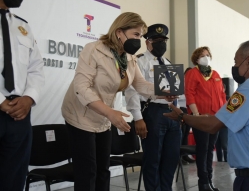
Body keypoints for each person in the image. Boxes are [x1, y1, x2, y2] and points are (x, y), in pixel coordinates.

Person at [61, 14, 175, 191]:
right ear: (119, 32)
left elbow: (140, 84)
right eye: (136, 34)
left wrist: (162, 92)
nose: (139, 39)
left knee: (103, 170)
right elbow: (81, 88)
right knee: (88, 171)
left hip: (103, 117)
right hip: (80, 115)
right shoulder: (93, 50)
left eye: (140, 35)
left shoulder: (128, 57)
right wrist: (109, 112)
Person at [164, 40, 249, 191]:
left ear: (248, 61)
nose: (235, 67)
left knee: (207, 150)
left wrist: (182, 117)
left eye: (236, 62)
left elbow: (213, 125)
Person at [125, 23, 181, 191]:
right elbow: (132, 90)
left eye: (163, 40)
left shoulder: (169, 64)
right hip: (152, 113)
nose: (160, 43)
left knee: (171, 158)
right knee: (153, 160)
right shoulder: (140, 61)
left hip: (172, 113)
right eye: (156, 40)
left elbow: (175, 90)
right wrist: (138, 118)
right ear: (147, 41)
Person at [0, 0, 45, 190]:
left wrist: (29, 97)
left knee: (15, 178)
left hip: (19, 113)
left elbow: (36, 68)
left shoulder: (22, 26)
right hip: (3, 105)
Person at [185, 46, 226, 191]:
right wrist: (196, 115)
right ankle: (203, 182)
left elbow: (222, 95)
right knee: (202, 148)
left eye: (208, 54)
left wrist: (224, 114)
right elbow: (189, 94)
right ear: (196, 58)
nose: (206, 57)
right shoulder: (192, 73)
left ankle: (209, 179)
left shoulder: (215, 74)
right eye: (203, 55)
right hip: (201, 118)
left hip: (215, 118)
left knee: (210, 148)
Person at [178, 67, 195, 165]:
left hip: (188, 109)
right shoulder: (180, 83)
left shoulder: (191, 84)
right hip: (181, 108)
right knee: (181, 134)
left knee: (186, 134)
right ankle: (179, 157)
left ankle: (185, 155)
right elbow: (178, 96)